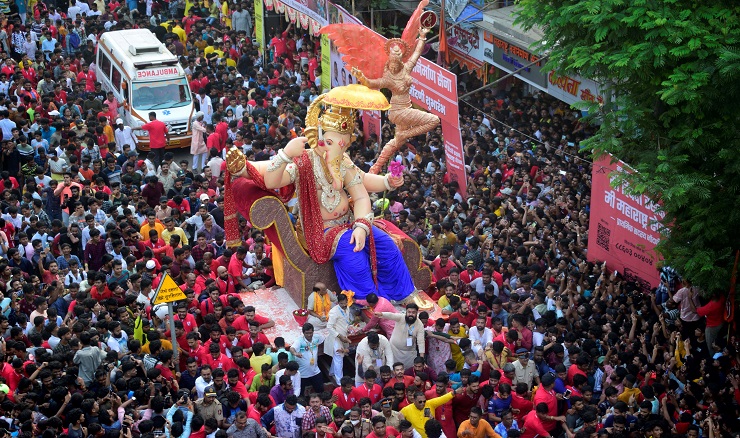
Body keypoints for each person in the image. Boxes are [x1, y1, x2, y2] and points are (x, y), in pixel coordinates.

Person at [374, 303, 426, 369]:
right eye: (409, 312)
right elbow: (392, 315)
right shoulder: (401, 317)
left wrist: (422, 359)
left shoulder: (419, 325)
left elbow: (421, 342)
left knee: (406, 371)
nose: (411, 314)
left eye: (413, 312)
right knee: (392, 368)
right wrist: (382, 314)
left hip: (408, 354)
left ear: (416, 313)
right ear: (406, 312)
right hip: (394, 349)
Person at [326, 292, 352, 384]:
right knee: (339, 357)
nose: (344, 305)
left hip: (344, 335)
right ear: (338, 303)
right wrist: (339, 336)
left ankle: (332, 372)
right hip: (336, 337)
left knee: (338, 356)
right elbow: (329, 327)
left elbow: (345, 321)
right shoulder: (334, 312)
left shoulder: (347, 308)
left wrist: (348, 329)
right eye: (342, 304)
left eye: (345, 303)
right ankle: (339, 382)